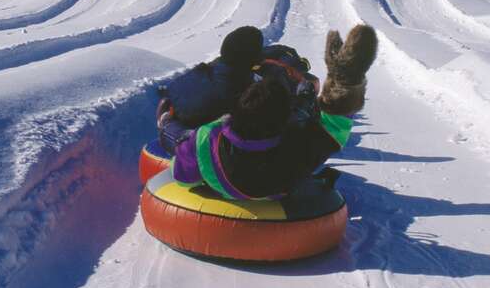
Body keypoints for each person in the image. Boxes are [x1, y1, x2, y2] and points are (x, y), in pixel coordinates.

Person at [159, 25, 378, 200]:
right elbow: (333, 125)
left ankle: (166, 123)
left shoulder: (205, 138)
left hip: (224, 182)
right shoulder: (300, 147)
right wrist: (344, 83)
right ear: (284, 118)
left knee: (179, 136)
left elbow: (183, 178)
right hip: (277, 192)